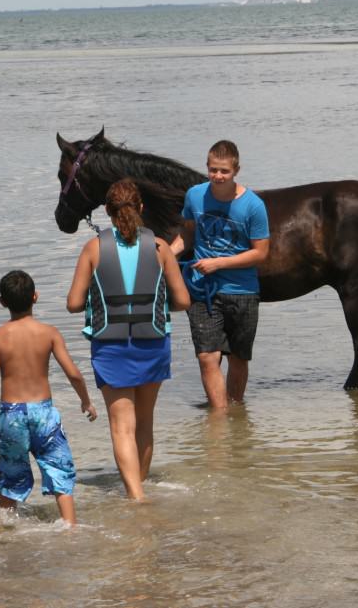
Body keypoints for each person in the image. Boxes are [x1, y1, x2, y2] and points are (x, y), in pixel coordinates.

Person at [67, 179, 190, 501]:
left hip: (111, 346)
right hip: (153, 343)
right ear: (142, 208)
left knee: (122, 426)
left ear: (106, 211)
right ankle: (140, 485)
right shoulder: (160, 247)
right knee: (145, 422)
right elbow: (183, 301)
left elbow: (73, 302)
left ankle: (135, 497)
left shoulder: (94, 248)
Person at [0, 270, 98, 527]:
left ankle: (5, 529)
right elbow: (73, 373)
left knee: (10, 473)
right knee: (59, 468)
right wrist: (85, 401)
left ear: (2, 302)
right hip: (44, 414)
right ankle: (69, 526)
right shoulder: (49, 333)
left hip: (11, 416)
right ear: (36, 297)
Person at [170, 140, 270, 409]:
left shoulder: (253, 205)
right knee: (207, 357)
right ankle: (219, 418)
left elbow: (260, 253)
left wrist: (218, 263)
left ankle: (236, 416)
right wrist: (169, 254)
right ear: (207, 167)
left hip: (243, 291)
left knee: (238, 359)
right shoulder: (195, 195)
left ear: (236, 170)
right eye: (213, 170)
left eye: (224, 171)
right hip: (203, 290)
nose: (217, 176)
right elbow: (188, 232)